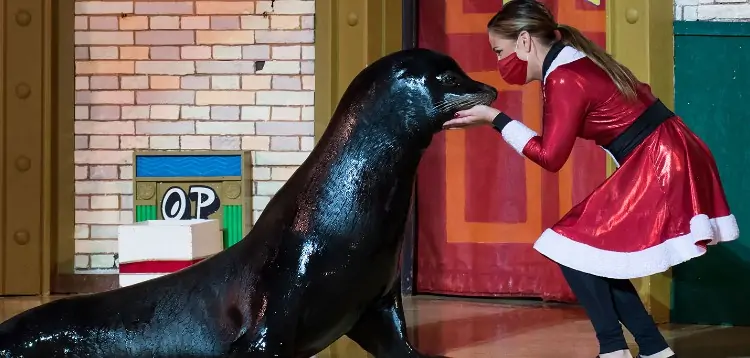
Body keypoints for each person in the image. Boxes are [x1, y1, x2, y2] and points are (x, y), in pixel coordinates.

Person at [442, 1, 740, 358]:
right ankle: (651, 349)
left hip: (660, 159)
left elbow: (550, 157)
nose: (499, 62)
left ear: (524, 41)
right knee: (592, 253)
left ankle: (615, 350)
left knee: (567, 245)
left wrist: (495, 117)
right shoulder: (571, 61)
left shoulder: (564, 75)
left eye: (499, 51)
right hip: (664, 152)